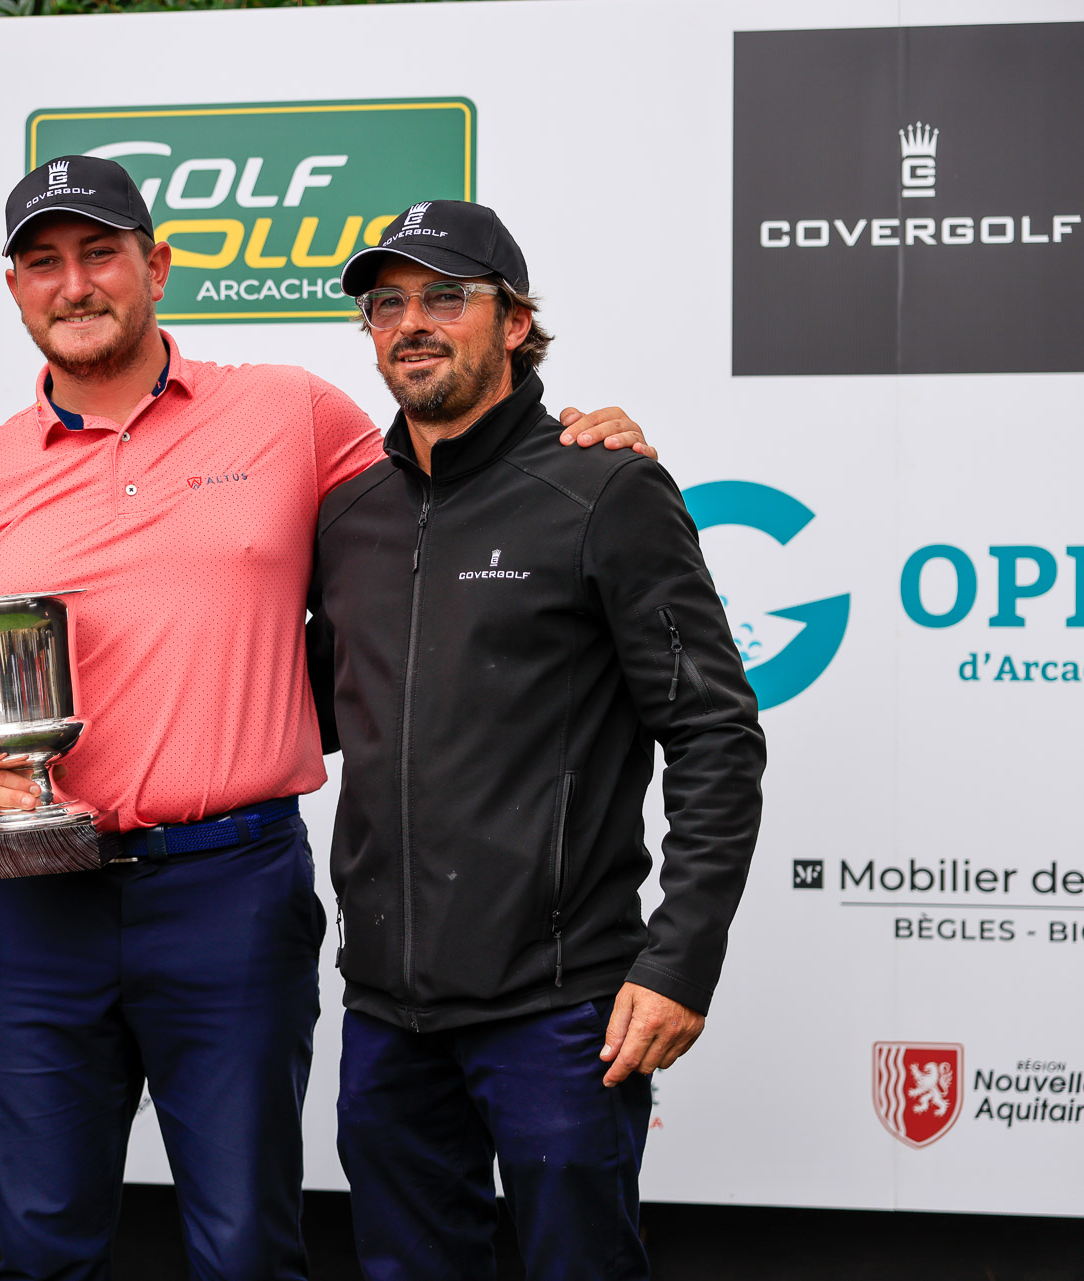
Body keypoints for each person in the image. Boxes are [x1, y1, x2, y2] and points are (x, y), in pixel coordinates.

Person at [0, 157, 655, 1281]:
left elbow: (450, 481)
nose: (75, 284)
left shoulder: (291, 413)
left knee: (248, 1246)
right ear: (13, 286)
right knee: (42, 1246)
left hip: (230, 887)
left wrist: (580, 443)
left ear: (158, 267)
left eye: (101, 253)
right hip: (37, 902)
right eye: (44, 262)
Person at [308, 200, 767, 1281]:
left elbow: (713, 731)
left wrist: (681, 959)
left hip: (561, 1013)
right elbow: (309, 709)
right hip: (386, 1015)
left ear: (514, 323)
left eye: (445, 297)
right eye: (387, 305)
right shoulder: (350, 516)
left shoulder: (606, 488)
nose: (412, 323)